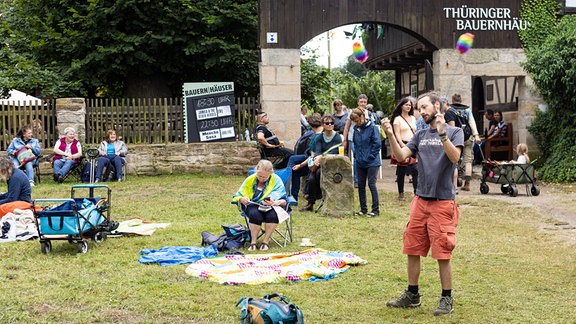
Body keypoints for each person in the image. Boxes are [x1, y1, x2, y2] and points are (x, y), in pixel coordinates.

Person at [382, 91, 464, 316]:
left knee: (442, 251)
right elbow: (401, 156)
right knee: (412, 247)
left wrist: (442, 133)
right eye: (419, 108)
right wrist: (390, 134)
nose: (421, 111)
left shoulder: (455, 131)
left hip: (442, 202)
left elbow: (455, 158)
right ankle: (412, 294)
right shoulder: (419, 135)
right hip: (420, 200)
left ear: (437, 106)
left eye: (425, 107)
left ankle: (447, 298)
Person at [232, 160, 287, 251]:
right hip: (253, 204)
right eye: (259, 176)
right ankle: (253, 242)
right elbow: (238, 195)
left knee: (273, 215)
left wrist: (274, 202)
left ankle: (266, 241)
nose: (261, 179)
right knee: (254, 214)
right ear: (256, 171)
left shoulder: (276, 180)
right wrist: (242, 199)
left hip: (273, 206)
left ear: (270, 174)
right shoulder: (250, 179)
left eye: (264, 177)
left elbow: (284, 200)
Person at [298, 115, 342, 212]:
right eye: (327, 123)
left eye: (332, 123)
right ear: (323, 125)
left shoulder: (337, 137)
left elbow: (334, 151)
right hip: (320, 163)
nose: (330, 125)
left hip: (332, 163)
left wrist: (320, 157)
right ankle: (310, 203)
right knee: (311, 177)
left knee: (318, 174)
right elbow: (317, 150)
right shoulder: (319, 137)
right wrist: (317, 158)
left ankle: (319, 194)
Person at [444, 93, 481, 191]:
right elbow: (472, 122)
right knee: (468, 160)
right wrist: (476, 135)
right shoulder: (467, 110)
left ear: (452, 100)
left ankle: (455, 182)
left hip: (456, 138)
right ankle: (467, 183)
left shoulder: (450, 110)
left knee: (455, 159)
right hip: (468, 137)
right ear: (461, 100)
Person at [349, 107, 381, 217]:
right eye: (355, 122)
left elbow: (377, 144)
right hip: (360, 161)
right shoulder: (356, 129)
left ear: (363, 117)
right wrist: (357, 155)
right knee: (361, 185)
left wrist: (371, 156)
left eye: (358, 121)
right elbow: (354, 143)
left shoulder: (373, 128)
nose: (357, 124)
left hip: (372, 162)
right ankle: (363, 209)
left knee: (372, 184)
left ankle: (375, 210)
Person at [288, 113, 323, 201]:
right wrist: (300, 165)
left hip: (316, 162)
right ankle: (293, 197)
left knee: (292, 160)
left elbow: (313, 155)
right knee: (295, 170)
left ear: (310, 124)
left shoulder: (318, 136)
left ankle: (285, 180)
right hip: (311, 159)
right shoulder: (316, 134)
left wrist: (301, 165)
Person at [391, 97, 418, 201]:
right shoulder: (397, 119)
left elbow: (416, 131)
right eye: (406, 104)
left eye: (410, 105)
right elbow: (396, 133)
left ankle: (416, 192)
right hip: (402, 143)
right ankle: (401, 193)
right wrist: (401, 144)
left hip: (413, 144)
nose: (408, 106)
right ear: (401, 106)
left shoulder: (413, 118)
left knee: (415, 169)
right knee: (401, 170)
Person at [342, 94, 370, 188]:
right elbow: (346, 127)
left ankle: (364, 177)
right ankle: (356, 180)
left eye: (364, 102)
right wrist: (345, 140)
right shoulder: (352, 113)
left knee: (364, 157)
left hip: (365, 139)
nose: (363, 103)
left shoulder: (368, 113)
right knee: (356, 157)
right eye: (361, 102)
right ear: (358, 102)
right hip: (353, 138)